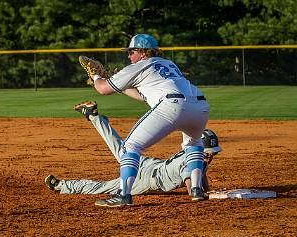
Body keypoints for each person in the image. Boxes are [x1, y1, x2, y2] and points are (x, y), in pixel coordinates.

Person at [86, 34, 210, 206]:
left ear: (142, 52)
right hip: (200, 106)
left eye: (131, 52)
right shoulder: (169, 64)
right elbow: (144, 95)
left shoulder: (138, 67)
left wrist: (96, 77)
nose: (129, 56)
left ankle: (123, 195)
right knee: (193, 142)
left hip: (172, 105)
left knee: (129, 147)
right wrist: (118, 84)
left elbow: (102, 89)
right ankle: (197, 190)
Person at [45, 102, 221, 201]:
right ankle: (62, 186)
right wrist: (209, 193)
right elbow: (192, 190)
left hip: (150, 164)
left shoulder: (194, 155)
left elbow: (199, 173)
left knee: (120, 147)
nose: (210, 155)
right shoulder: (194, 162)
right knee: (104, 187)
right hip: (145, 179)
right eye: (207, 152)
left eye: (213, 153)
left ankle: (94, 116)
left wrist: (208, 187)